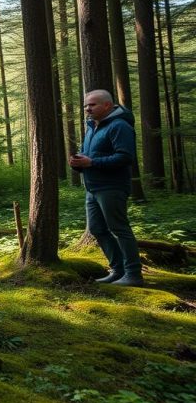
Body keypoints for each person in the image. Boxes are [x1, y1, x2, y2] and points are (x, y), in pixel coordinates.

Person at [69, 89, 144, 287]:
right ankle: (118, 270)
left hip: (112, 187)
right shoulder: (92, 127)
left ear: (107, 106)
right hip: (92, 187)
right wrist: (78, 163)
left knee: (119, 228)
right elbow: (89, 156)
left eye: (92, 105)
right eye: (86, 105)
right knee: (96, 228)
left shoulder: (120, 126)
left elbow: (125, 157)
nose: (87, 108)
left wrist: (91, 162)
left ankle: (133, 274)